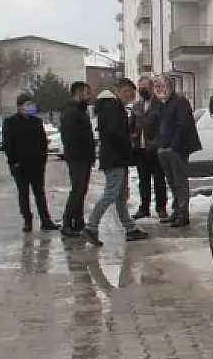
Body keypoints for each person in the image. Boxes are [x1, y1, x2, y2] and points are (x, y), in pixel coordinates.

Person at [80, 79, 149, 246]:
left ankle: (130, 228)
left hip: (118, 158)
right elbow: (113, 133)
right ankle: (91, 226)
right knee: (111, 193)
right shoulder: (112, 108)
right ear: (122, 91)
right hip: (114, 159)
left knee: (121, 196)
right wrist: (127, 142)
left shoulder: (114, 107)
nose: (132, 98)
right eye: (130, 94)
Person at [2, 93, 59, 233]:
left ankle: (46, 220)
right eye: (27, 104)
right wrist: (14, 162)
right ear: (20, 106)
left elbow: (42, 143)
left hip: (36, 165)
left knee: (39, 192)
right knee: (23, 193)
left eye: (31, 104)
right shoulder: (10, 122)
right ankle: (27, 220)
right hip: (20, 166)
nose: (30, 107)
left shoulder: (37, 122)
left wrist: (43, 161)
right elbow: (8, 144)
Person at [153, 75, 202, 228]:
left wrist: (173, 145)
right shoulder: (163, 104)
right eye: (157, 88)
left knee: (180, 182)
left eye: (161, 87)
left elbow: (183, 125)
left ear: (169, 87)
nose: (159, 90)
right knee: (172, 181)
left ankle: (183, 213)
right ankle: (176, 211)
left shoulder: (180, 102)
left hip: (177, 149)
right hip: (165, 148)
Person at [58, 81, 96, 237]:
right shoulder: (71, 112)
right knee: (77, 190)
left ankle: (78, 221)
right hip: (77, 158)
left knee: (81, 191)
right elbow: (70, 138)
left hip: (84, 158)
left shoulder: (81, 111)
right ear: (79, 93)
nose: (89, 96)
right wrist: (82, 153)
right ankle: (67, 223)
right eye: (87, 93)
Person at [130, 75, 168, 220]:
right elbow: (132, 125)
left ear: (151, 88)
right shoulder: (136, 106)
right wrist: (133, 138)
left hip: (155, 149)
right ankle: (144, 208)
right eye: (140, 87)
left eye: (145, 87)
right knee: (143, 180)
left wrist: (156, 144)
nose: (142, 90)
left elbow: (162, 128)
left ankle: (161, 208)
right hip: (140, 149)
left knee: (159, 180)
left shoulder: (159, 105)